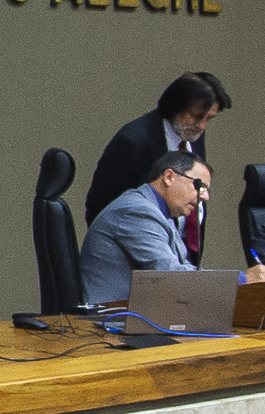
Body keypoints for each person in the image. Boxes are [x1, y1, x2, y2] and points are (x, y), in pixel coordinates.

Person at [83, 71, 232, 264]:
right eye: (196, 116)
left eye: (209, 118)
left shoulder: (194, 134)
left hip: (181, 254)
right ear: (176, 107)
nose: (202, 125)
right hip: (136, 260)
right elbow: (101, 207)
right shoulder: (133, 141)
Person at [78, 153, 265, 304]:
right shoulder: (136, 210)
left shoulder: (159, 212)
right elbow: (171, 275)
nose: (205, 196)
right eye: (200, 187)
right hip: (108, 326)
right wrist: (243, 280)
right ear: (169, 177)